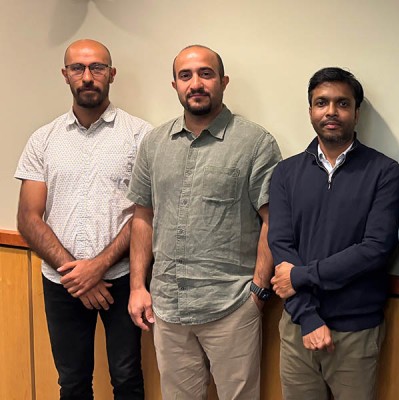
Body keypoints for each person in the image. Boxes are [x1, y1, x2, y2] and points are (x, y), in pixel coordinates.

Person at [126, 45, 281, 399]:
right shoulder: (154, 143)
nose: (196, 83)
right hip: (167, 307)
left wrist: (257, 292)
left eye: (205, 74)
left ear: (223, 81)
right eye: (186, 76)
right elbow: (143, 217)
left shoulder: (255, 143)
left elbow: (274, 221)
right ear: (175, 84)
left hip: (232, 307)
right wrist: (138, 286)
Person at [15, 39, 149, 399]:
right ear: (65, 75)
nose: (87, 76)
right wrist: (77, 273)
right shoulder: (43, 139)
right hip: (62, 282)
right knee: (72, 382)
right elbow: (28, 217)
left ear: (112, 74)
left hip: (122, 280)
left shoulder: (140, 136)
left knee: (127, 378)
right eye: (78, 68)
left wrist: (99, 267)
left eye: (97, 68)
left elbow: (146, 213)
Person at [268, 67, 399, 400]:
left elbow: (375, 250)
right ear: (311, 111)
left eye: (342, 103)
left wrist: (301, 275)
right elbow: (281, 245)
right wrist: (309, 317)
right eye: (322, 103)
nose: (331, 111)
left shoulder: (385, 173)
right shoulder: (286, 173)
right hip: (298, 325)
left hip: (356, 331)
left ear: (356, 112)